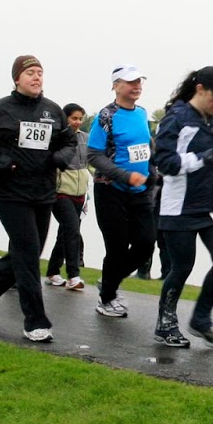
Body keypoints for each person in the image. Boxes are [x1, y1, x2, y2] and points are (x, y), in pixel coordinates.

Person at [0, 55, 73, 343]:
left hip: (43, 191)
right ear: (17, 78)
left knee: (30, 251)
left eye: (40, 73)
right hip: (8, 192)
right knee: (27, 252)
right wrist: (1, 162)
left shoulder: (52, 111)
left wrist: (58, 159)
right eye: (30, 73)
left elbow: (69, 142)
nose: (37, 77)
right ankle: (35, 321)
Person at [152, 66, 213, 348]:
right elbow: (166, 164)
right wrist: (202, 158)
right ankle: (165, 324)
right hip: (180, 207)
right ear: (200, 89)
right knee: (181, 267)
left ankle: (201, 319)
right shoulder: (175, 120)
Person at [87, 64, 157, 316]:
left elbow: (146, 147)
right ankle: (106, 299)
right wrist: (125, 175)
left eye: (139, 81)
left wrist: (153, 173)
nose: (136, 86)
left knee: (146, 245)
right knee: (116, 248)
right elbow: (93, 154)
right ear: (116, 85)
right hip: (110, 190)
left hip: (140, 192)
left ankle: (110, 280)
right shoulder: (106, 116)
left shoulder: (142, 113)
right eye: (130, 82)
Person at [45, 102, 89, 290]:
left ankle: (53, 272)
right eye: (74, 118)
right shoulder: (56, 138)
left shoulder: (86, 138)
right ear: (65, 118)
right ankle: (74, 276)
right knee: (72, 230)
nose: (77, 122)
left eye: (80, 119)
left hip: (80, 193)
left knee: (65, 233)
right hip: (60, 192)